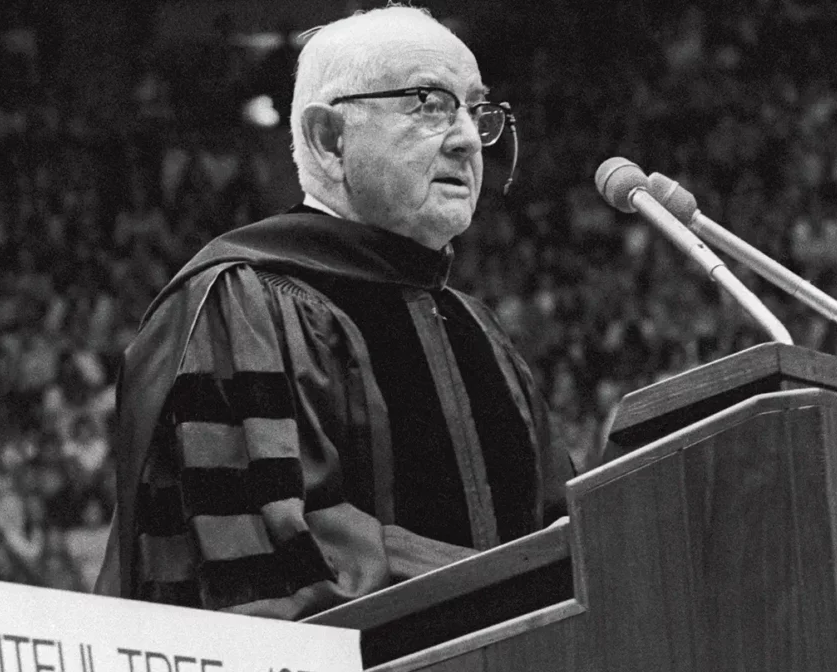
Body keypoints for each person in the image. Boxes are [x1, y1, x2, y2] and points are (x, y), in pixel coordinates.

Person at [94, 5, 576, 619]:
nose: (464, 138)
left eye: (475, 109)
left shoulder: (480, 333)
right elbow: (272, 568)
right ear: (329, 139)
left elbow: (563, 536)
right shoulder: (242, 306)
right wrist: (505, 586)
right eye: (429, 103)